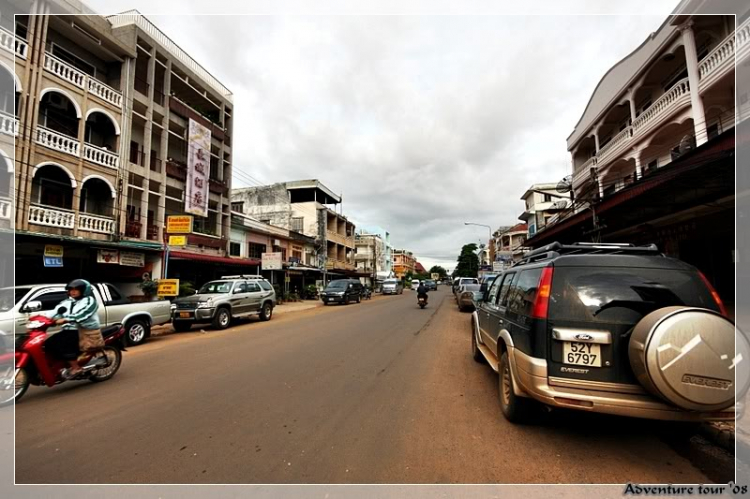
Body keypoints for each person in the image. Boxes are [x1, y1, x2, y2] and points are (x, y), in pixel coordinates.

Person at [53, 279, 104, 378]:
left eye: (76, 289)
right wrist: (40, 319)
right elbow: (54, 312)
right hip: (69, 329)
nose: (73, 291)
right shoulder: (66, 302)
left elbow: (83, 314)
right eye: (71, 289)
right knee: (49, 344)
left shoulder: (90, 301)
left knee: (66, 344)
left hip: (84, 330)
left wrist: (66, 319)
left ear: (84, 290)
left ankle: (76, 367)